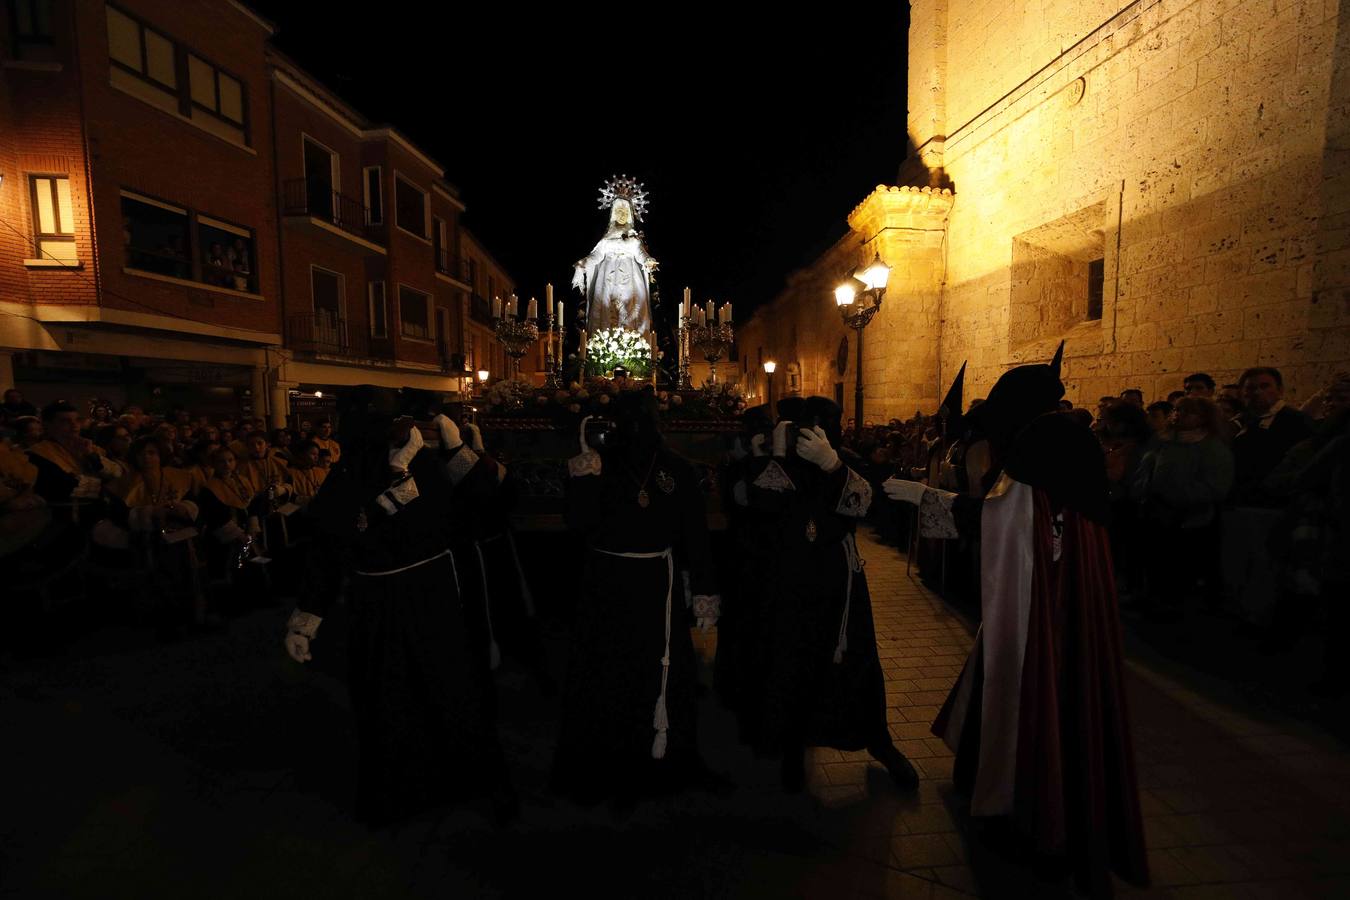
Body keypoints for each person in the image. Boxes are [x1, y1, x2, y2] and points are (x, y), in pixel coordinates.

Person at [885, 362, 1148, 896]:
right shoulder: (1056, 435)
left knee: (1036, 690)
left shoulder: (1045, 437)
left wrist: (929, 500)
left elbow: (1009, 517)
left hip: (1043, 599)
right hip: (1055, 588)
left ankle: (1035, 815)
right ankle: (996, 783)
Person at [283, 388, 514, 826]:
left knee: (441, 687)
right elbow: (332, 546)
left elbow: (474, 509)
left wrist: (457, 449)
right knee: (390, 695)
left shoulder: (419, 463)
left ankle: (459, 777)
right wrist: (308, 617)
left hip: (429, 596)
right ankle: (404, 787)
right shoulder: (350, 474)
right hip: (383, 601)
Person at [553, 389, 720, 806]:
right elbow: (577, 524)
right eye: (627, 421)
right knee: (608, 668)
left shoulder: (676, 469)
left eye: (641, 420)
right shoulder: (596, 467)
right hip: (606, 585)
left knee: (659, 669)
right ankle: (608, 758)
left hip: (656, 588)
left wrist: (703, 591)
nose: (636, 429)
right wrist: (582, 476)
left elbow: (695, 535)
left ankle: (667, 754)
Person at [746, 396, 921, 794]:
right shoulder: (781, 462)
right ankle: (793, 745)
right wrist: (773, 455)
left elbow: (871, 508)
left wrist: (833, 466)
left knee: (856, 662)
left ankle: (879, 740)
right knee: (793, 662)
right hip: (791, 580)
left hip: (839, 582)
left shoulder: (843, 460)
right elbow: (761, 509)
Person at [1131, 398, 1234, 619]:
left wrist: (1176, 498)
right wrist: (1144, 491)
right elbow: (1144, 469)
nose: (1179, 415)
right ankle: (1153, 598)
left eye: (1188, 412)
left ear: (1203, 417)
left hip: (1187, 518)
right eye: (1177, 410)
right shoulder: (1161, 441)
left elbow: (1214, 486)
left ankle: (1174, 608)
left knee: (1179, 565)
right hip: (1154, 512)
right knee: (1155, 562)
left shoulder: (1211, 447)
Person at [572, 180, 659, 334]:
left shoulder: (634, 238)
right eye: (618, 211)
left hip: (630, 276)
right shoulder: (607, 237)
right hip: (608, 278)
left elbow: (640, 253)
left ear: (630, 215)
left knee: (633, 308)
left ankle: (633, 342)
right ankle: (604, 341)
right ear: (613, 213)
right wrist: (583, 263)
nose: (621, 214)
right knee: (605, 307)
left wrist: (648, 261)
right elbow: (597, 255)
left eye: (625, 212)